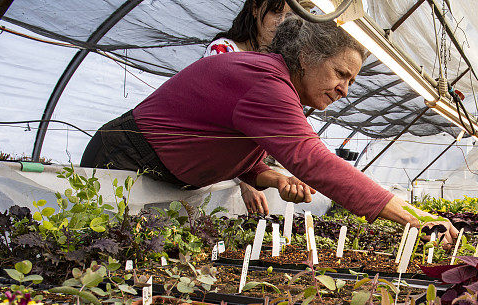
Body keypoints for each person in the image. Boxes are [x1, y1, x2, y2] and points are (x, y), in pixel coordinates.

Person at [80, 17, 458, 243]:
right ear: (307, 58)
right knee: (98, 253)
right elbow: (314, 161)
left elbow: (225, 142)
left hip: (152, 163)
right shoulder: (267, 83)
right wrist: (416, 219)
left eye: (352, 80)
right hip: (125, 156)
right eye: (341, 73)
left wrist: (269, 176)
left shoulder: (272, 82)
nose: (345, 89)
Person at [203, 0, 316, 215]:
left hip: (233, 172)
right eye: (275, 12)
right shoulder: (225, 51)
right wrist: (245, 183)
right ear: (255, 9)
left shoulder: (277, 68)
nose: (281, 22)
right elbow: (220, 129)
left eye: (290, 16)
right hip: (205, 171)